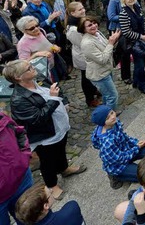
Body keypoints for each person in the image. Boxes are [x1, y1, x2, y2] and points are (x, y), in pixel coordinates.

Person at [3, 60, 86, 200]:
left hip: (59, 126)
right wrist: (53, 100)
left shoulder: (38, 78)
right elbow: (37, 120)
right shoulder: (18, 99)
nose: (33, 67)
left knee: (61, 149)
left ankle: (64, 168)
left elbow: (56, 88)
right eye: (28, 68)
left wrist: (64, 101)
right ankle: (52, 185)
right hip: (45, 136)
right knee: (47, 161)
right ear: (18, 78)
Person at [91, 105, 145, 189]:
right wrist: (136, 148)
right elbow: (120, 159)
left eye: (112, 113)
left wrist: (136, 143)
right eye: (108, 118)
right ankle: (116, 176)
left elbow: (125, 137)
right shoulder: (107, 143)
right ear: (103, 122)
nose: (113, 117)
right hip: (118, 165)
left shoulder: (114, 122)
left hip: (126, 151)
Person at [79, 16, 122, 109]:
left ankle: (107, 113)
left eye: (94, 23)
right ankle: (110, 118)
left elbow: (106, 47)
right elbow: (102, 59)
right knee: (112, 96)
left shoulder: (97, 33)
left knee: (106, 95)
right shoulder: (87, 43)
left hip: (106, 70)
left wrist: (113, 41)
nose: (94, 26)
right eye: (89, 25)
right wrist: (111, 43)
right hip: (100, 75)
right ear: (84, 29)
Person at [0, 111, 33, 225]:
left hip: (22, 181)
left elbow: (19, 132)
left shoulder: (1, 116)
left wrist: (24, 156)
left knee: (33, 220)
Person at [66, 2, 100, 108]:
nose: (83, 10)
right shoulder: (73, 30)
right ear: (72, 13)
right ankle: (89, 99)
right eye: (80, 10)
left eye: (83, 8)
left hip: (87, 54)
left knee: (90, 76)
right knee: (86, 78)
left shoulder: (79, 21)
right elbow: (82, 43)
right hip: (83, 55)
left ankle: (94, 90)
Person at [119, 0, 145, 94]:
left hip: (143, 39)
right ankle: (142, 85)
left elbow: (144, 22)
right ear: (124, 1)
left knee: (141, 63)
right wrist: (141, 36)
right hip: (134, 43)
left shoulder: (137, 8)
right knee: (140, 65)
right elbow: (126, 32)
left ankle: (136, 81)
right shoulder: (123, 13)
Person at [16, 16, 62, 82]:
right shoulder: (22, 44)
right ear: (23, 30)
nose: (36, 29)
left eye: (37, 25)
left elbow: (46, 44)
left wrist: (54, 47)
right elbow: (23, 63)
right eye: (32, 28)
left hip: (51, 65)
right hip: (40, 72)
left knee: (56, 83)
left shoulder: (41, 31)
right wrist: (36, 55)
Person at [15, 184, 84, 225]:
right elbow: (71, 205)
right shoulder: (71, 209)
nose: (51, 190)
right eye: (49, 193)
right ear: (46, 206)